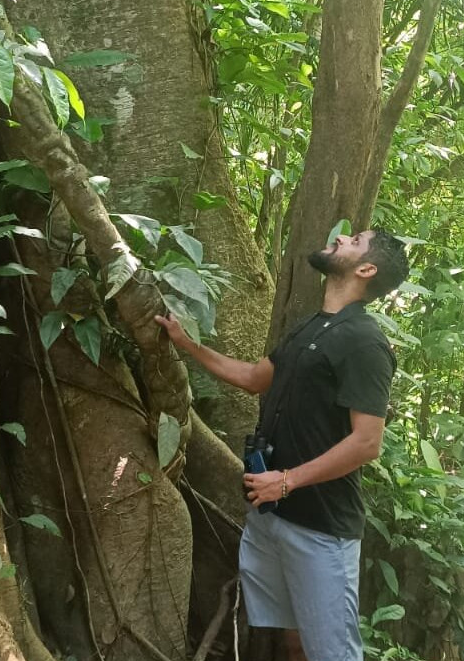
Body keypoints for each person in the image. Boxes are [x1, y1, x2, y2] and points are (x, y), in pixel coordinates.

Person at [155, 229, 409, 661]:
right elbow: (255, 378)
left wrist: (287, 481)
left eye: (356, 240)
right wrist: (185, 342)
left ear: (366, 269)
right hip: (272, 516)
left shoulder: (365, 342)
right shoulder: (311, 326)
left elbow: (367, 443)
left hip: (321, 528)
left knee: (332, 653)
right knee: (292, 640)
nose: (342, 237)